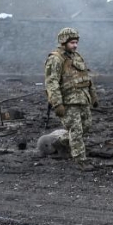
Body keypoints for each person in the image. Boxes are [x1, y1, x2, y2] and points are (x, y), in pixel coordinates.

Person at [44, 27, 98, 171]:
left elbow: (86, 77)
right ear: (63, 42)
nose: (75, 45)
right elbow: (51, 82)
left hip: (83, 99)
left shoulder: (77, 56)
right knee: (76, 131)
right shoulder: (55, 59)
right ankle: (81, 161)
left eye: (76, 42)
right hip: (68, 102)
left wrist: (93, 96)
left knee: (86, 127)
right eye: (72, 42)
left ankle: (61, 143)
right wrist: (57, 104)